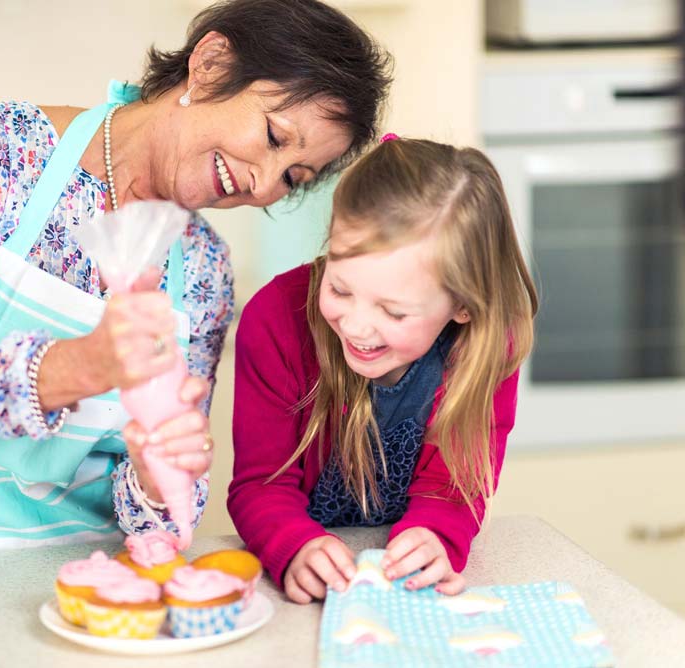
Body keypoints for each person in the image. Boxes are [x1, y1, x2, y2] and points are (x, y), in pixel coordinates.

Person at [0, 0, 392, 558]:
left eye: (293, 178)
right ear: (212, 63)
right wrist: (78, 367)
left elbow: (158, 519)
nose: (264, 184)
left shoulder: (202, 269)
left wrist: (156, 478)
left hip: (73, 575)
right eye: (273, 136)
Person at [228, 136, 538, 602]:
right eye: (339, 288)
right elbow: (262, 483)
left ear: (464, 306)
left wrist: (435, 536)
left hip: (400, 581)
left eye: (394, 312)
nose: (356, 326)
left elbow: (455, 487)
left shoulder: (488, 347)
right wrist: (293, 545)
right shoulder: (275, 320)